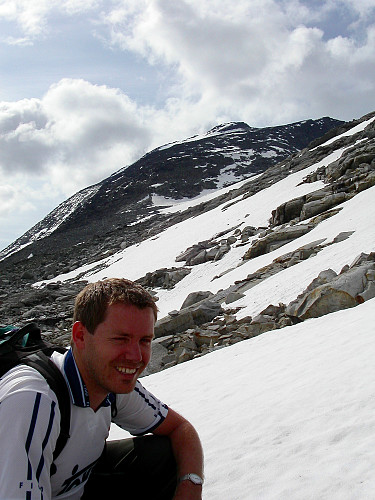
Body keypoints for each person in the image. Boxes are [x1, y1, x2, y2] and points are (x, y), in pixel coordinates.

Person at [0, 278, 204, 500]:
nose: (136, 357)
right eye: (120, 339)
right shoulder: (32, 400)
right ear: (80, 336)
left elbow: (181, 429)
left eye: (144, 341)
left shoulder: (110, 383)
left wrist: (190, 486)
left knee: (163, 454)